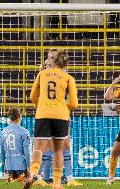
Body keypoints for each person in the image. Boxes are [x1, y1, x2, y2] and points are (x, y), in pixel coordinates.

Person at [23, 49, 78, 189]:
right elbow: (74, 103)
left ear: (53, 60)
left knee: (39, 149)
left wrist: (41, 104)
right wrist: (64, 108)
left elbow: (32, 97)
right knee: (58, 150)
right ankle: (57, 184)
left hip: (42, 114)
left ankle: (33, 173)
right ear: (65, 64)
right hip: (60, 116)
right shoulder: (68, 78)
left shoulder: (42, 74)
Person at [0, 107, 30, 183]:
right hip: (21, 166)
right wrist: (29, 166)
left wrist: (4, 165)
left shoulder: (3, 131)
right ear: (20, 116)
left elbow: (2, 151)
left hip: (9, 166)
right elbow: (26, 151)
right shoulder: (24, 131)